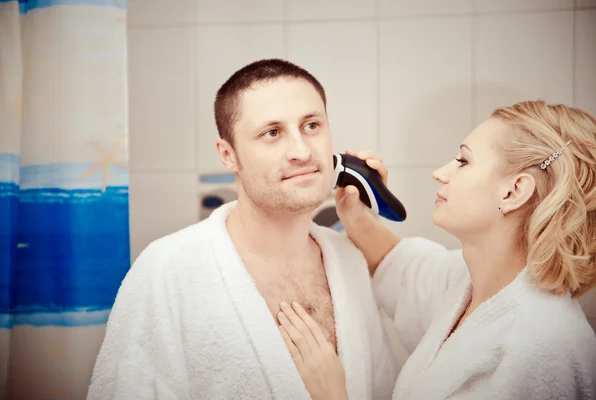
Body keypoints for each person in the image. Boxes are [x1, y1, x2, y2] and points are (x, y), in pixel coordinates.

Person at [86, 58, 397, 400]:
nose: (301, 151)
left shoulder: (349, 261)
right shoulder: (166, 271)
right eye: (272, 133)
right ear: (228, 155)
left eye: (311, 126)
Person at [277, 100, 596, 399]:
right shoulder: (468, 284)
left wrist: (332, 394)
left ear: (513, 191)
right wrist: (356, 216)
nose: (440, 173)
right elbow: (401, 269)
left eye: (463, 161)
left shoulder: (545, 345)